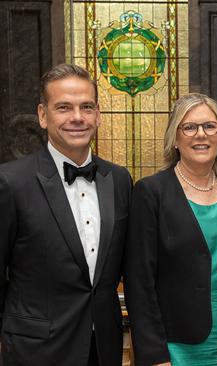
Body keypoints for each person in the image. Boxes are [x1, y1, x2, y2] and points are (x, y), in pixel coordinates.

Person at [0, 64, 132, 365]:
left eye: (86, 107)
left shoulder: (120, 180)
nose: (77, 117)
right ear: (43, 115)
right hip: (34, 351)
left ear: (98, 115)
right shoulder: (10, 182)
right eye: (64, 107)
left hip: (105, 348)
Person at [124, 93, 217, 366]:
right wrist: (154, 354)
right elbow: (140, 282)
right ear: (175, 138)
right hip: (175, 343)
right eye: (189, 127)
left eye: (210, 126)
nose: (201, 135)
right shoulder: (151, 192)